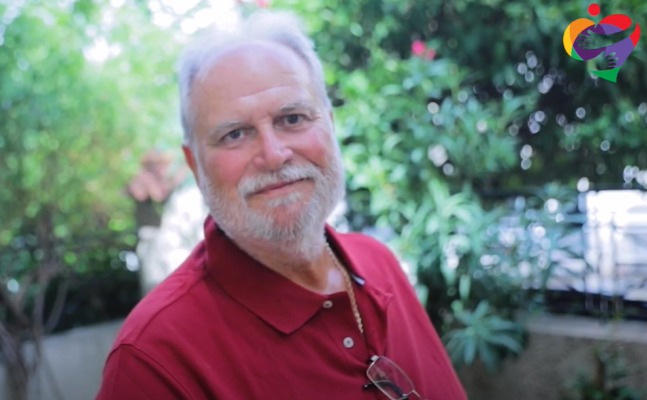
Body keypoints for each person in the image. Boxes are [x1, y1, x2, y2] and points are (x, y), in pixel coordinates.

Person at [95, 10, 467, 400]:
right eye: (235, 134)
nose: (273, 155)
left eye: (292, 118)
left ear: (330, 126)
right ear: (195, 166)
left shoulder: (380, 264)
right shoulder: (152, 361)